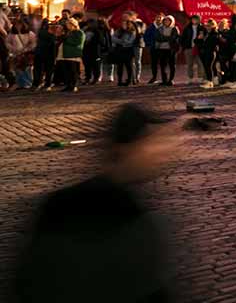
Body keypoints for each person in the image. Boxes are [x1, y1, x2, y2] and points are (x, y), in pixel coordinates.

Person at [12, 104, 178, 303]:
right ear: (127, 148)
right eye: (152, 142)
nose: (162, 153)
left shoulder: (61, 202)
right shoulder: (129, 216)